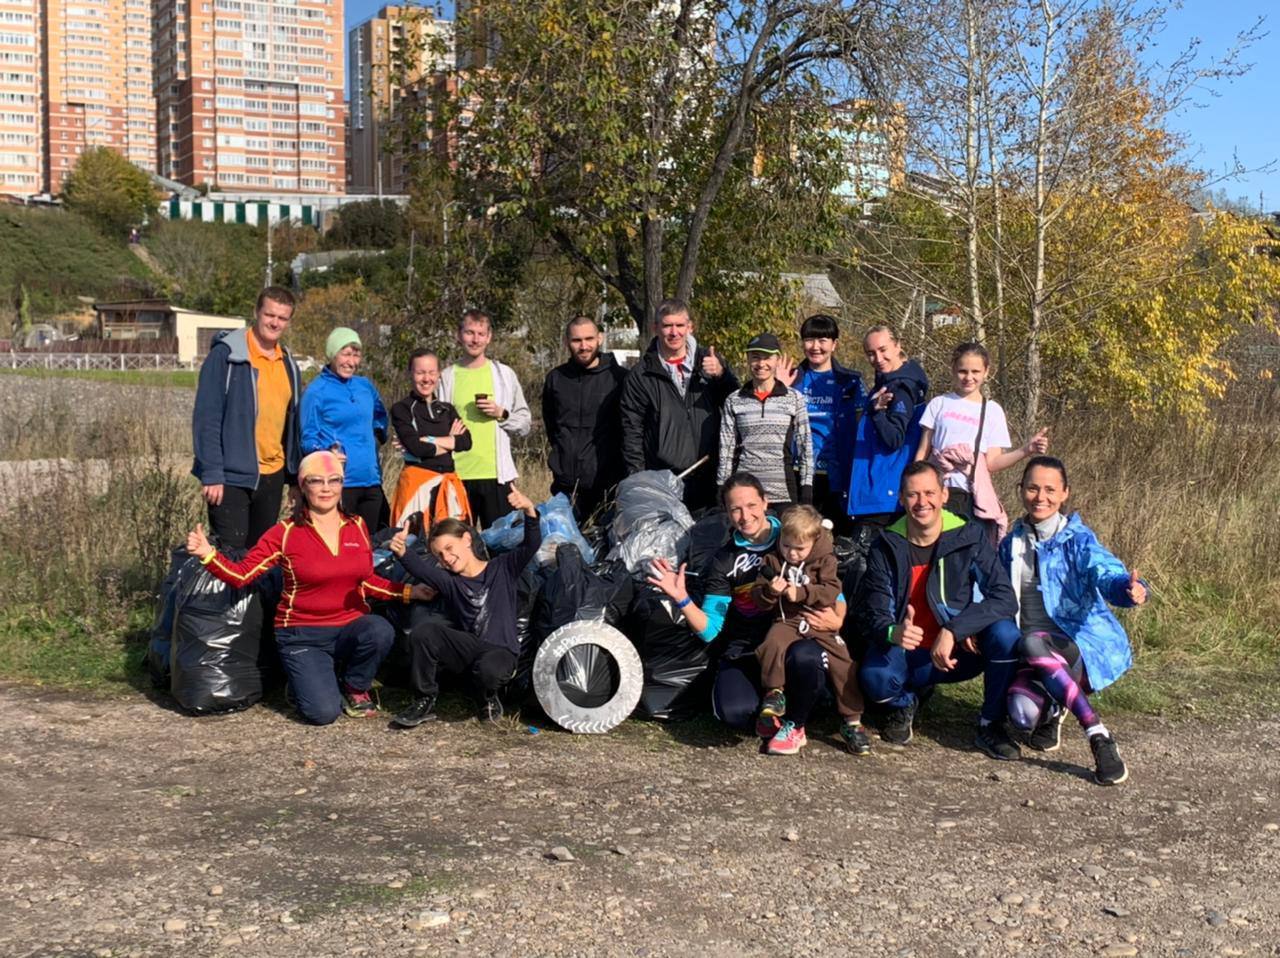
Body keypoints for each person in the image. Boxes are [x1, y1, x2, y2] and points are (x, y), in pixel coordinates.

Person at [184, 450, 430, 726]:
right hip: (302, 634)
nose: (326, 488)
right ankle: (305, 679)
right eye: (316, 481)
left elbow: (365, 580)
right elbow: (242, 575)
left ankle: (354, 686)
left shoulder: (357, 525)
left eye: (334, 480)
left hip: (350, 626)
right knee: (322, 714)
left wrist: (409, 592)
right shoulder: (285, 532)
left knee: (380, 629)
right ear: (303, 486)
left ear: (342, 484)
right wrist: (208, 554)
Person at [646, 473, 847, 755]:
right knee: (735, 713)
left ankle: (796, 722)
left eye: (751, 505)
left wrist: (838, 618)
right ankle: (785, 701)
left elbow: (834, 590)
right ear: (727, 513)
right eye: (735, 509)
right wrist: (682, 599)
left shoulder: (793, 534)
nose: (745, 515)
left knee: (807, 657)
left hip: (794, 640)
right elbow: (711, 629)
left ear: (766, 502)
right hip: (745, 649)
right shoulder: (723, 559)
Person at [998, 456, 1147, 786]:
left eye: (1050, 490)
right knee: (1021, 717)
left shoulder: (1078, 540)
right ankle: (1052, 708)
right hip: (1032, 655)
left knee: (1034, 641)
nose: (1041, 497)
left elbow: (1105, 572)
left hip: (1076, 649)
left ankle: (1097, 734)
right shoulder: (1011, 543)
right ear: (1020, 490)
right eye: (1033, 488)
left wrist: (1128, 588)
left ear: (1064, 493)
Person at [859, 461, 1023, 760]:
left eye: (930, 493)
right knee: (875, 680)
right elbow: (874, 612)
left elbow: (1004, 597)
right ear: (901, 499)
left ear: (944, 495)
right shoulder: (886, 545)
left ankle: (991, 724)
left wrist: (956, 628)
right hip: (906, 651)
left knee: (1005, 633)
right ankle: (905, 702)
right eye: (913, 495)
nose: (922, 502)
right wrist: (894, 632)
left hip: (956, 653)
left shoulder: (969, 536)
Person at [387, 484, 542, 726]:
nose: (446, 558)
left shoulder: (502, 568)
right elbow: (419, 568)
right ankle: (424, 699)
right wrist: (401, 550)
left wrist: (530, 511)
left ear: (467, 539)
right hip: (469, 651)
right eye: (439, 555)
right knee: (424, 632)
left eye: (449, 548)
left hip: (501, 653)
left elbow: (530, 545)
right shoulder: (450, 582)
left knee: (489, 669)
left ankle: (487, 698)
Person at [751, 505, 870, 755]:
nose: (791, 554)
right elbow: (759, 599)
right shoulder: (772, 560)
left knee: (843, 663)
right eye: (786, 546)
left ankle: (852, 720)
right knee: (772, 642)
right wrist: (771, 591)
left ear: (814, 542)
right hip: (788, 621)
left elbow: (831, 590)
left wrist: (803, 592)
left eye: (799, 548)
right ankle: (774, 692)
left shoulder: (826, 561)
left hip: (820, 622)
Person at [192, 286, 303, 549]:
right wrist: (212, 473)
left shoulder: (288, 363)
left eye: (282, 318)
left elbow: (292, 425)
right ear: (256, 312)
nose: (274, 322)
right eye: (269, 315)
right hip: (231, 477)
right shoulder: (227, 356)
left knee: (260, 555)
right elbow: (207, 417)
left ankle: (254, 593)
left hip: (272, 475)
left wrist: (293, 477)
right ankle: (224, 593)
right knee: (230, 553)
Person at [915, 341, 1049, 542]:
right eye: (963, 371)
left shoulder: (992, 410)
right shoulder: (938, 404)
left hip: (970, 497)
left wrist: (1027, 449)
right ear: (953, 370)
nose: (969, 378)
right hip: (936, 494)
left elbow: (992, 462)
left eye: (975, 371)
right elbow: (922, 452)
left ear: (986, 372)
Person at [619, 299, 739, 511]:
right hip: (664, 478)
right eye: (667, 326)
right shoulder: (641, 375)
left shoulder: (710, 362)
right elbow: (632, 431)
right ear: (656, 328)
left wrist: (721, 375)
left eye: (680, 325)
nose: (674, 332)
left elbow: (736, 403)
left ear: (689, 327)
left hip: (710, 474)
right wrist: (639, 480)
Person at [436, 309, 532, 528]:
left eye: (481, 333)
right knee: (459, 548)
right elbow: (435, 423)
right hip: (456, 476)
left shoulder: (504, 375)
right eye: (469, 333)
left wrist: (502, 414)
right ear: (459, 335)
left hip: (497, 476)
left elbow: (525, 422)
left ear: (489, 337)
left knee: (500, 546)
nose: (475, 339)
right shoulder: (447, 377)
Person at [845, 325, 930, 560]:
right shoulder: (888, 381)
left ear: (897, 345)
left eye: (883, 350)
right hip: (880, 490)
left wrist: (877, 413)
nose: (878, 358)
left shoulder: (900, 388)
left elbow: (894, 439)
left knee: (866, 570)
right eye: (871, 353)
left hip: (883, 493)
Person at [776, 313, 866, 532]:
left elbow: (864, 426)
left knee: (832, 537)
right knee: (798, 536)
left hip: (837, 476)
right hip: (798, 474)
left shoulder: (850, 381)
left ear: (834, 344)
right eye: (809, 340)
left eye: (822, 340)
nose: (815, 347)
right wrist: (778, 388)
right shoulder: (790, 378)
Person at [299, 327, 390, 533]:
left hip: (371, 480)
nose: (351, 361)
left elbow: (380, 416)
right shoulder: (316, 391)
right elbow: (307, 438)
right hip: (338, 485)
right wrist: (327, 453)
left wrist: (375, 439)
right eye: (346, 353)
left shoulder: (364, 386)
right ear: (332, 354)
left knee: (372, 547)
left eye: (356, 354)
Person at [541, 315, 629, 521]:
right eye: (576, 340)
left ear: (600, 338)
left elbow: (628, 429)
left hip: (608, 485)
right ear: (567, 342)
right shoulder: (556, 379)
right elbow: (552, 425)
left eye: (589, 339)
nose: (583, 346)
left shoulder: (620, 379)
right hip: (566, 485)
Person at [716, 332, 813, 513]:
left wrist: (806, 490)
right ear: (748, 359)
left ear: (777, 359)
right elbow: (726, 449)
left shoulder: (794, 398)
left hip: (783, 492)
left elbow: (805, 447)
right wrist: (722, 487)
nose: (761, 364)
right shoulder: (734, 400)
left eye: (767, 358)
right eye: (755, 357)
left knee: (786, 541)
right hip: (745, 493)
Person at [388, 349, 473, 529]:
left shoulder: (447, 408)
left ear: (438, 374)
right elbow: (417, 448)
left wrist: (430, 440)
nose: (426, 379)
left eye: (431, 372)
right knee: (415, 545)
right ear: (410, 374)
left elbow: (466, 442)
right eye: (420, 373)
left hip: (449, 485)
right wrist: (450, 441)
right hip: (416, 487)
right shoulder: (401, 409)